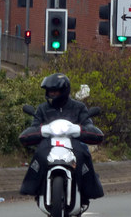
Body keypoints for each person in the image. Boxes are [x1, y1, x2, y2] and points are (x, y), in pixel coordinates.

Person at [19, 73, 104, 207]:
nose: (52, 94)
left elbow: (92, 129)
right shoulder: (42, 109)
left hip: (73, 143)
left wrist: (78, 130)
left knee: (84, 154)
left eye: (56, 91)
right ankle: (34, 188)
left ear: (64, 91)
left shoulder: (79, 107)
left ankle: (87, 192)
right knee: (39, 154)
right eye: (50, 91)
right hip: (49, 144)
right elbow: (30, 131)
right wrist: (42, 130)